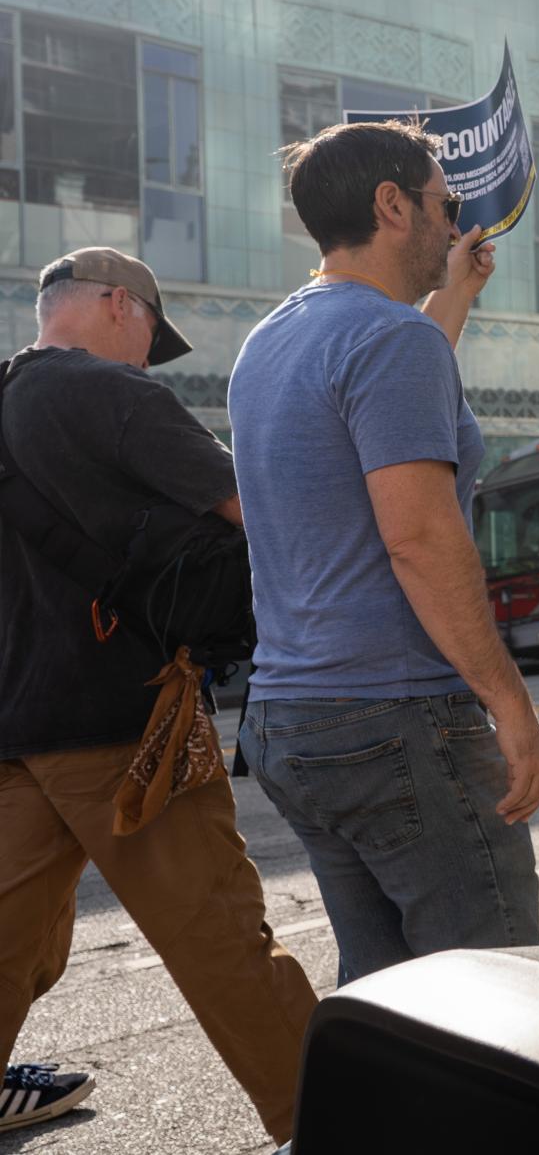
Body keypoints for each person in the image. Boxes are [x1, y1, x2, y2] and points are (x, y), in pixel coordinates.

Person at [0, 249, 318, 1143]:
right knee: (220, 936)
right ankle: (328, 1118)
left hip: (15, 728)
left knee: (5, 945)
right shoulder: (115, 395)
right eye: (148, 329)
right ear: (114, 303)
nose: (149, 355)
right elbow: (259, 510)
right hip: (123, 722)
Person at [230, 120, 539, 984]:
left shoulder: (272, 340)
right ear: (392, 204)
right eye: (444, 205)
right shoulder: (391, 341)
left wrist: (454, 300)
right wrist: (512, 708)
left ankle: (373, 1126)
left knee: (386, 990)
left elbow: (373, 414)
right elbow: (417, 537)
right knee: (495, 991)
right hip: (396, 717)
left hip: (291, 715)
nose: (455, 226)